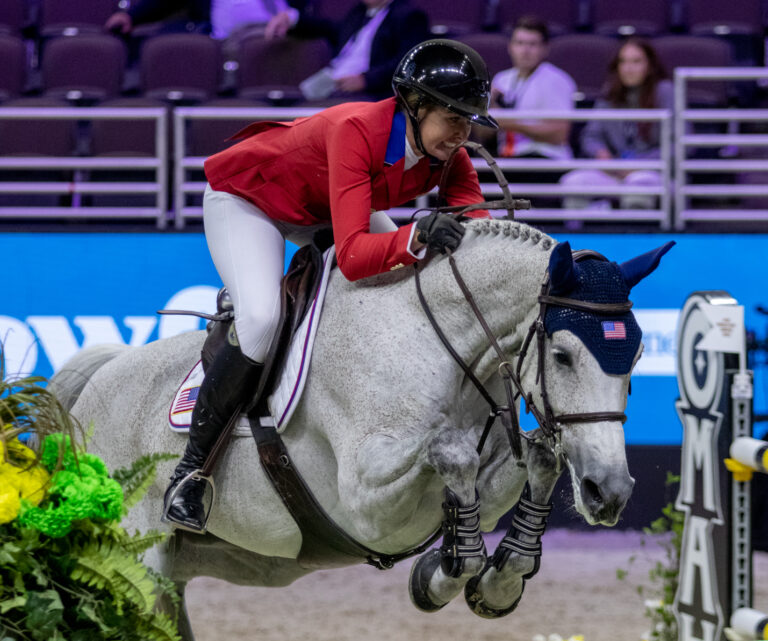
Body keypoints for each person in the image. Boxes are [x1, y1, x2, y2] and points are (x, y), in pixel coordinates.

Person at [162, 38, 498, 533]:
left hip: (322, 209)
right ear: (415, 105)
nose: (462, 132)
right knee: (262, 320)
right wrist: (416, 237)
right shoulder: (356, 129)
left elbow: (476, 229)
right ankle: (190, 472)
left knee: (413, 282)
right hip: (250, 201)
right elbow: (358, 257)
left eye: (469, 120)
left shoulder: (448, 151)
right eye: (453, 118)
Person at [559, 38, 673, 210]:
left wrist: (639, 165)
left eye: (636, 62)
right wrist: (600, 152)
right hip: (613, 169)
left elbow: (677, 144)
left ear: (650, 66)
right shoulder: (610, 92)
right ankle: (581, 234)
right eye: (623, 62)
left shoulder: (665, 91)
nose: (629, 68)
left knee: (638, 187)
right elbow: (591, 136)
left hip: (651, 171)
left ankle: (634, 236)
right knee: (573, 182)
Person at [273, 0, 430, 101]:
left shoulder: (409, 16)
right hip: (333, 82)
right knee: (287, 101)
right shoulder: (358, 13)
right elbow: (330, 28)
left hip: (371, 92)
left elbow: (409, 61)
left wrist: (366, 80)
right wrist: (293, 19)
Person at [488, 15, 576, 182]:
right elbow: (484, 133)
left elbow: (559, 134)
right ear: (510, 47)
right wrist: (486, 107)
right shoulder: (501, 79)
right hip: (507, 157)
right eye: (520, 43)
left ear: (545, 49)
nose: (525, 51)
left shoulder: (557, 80)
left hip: (546, 159)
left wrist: (508, 123)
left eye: (532, 44)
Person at [104, 0, 309, 39]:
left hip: (279, 40)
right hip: (221, 42)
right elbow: (167, 2)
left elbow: (305, 13)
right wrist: (131, 16)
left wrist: (291, 18)